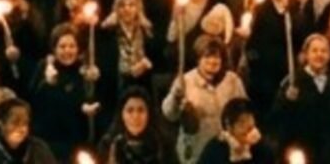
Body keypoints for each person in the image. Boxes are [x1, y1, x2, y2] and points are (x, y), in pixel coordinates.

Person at [163, 35, 247, 164]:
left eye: (217, 57)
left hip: (226, 151)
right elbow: (169, 114)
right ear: (198, 59)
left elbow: (244, 113)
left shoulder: (233, 81)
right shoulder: (185, 81)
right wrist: (175, 97)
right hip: (196, 153)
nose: (212, 61)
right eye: (207, 56)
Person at [273, 33, 330, 163]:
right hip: (302, 150)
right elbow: (278, 117)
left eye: (323, 51)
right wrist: (286, 100)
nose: (319, 55)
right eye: (314, 51)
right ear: (306, 55)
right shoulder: (293, 82)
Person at [29, 24, 98, 162]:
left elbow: (91, 99)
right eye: (62, 46)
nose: (67, 50)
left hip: (76, 140)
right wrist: (47, 83)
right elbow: (32, 97)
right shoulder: (44, 67)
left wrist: (90, 105)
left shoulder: (84, 70)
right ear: (54, 49)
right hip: (48, 139)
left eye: (72, 46)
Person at [98, 86, 177, 164]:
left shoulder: (164, 144)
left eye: (141, 110)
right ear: (121, 115)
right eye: (130, 110)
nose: (136, 116)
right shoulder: (108, 145)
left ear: (149, 114)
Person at [0, 98, 57, 164]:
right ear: (1, 124)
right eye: (15, 123)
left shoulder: (39, 148)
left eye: (25, 123)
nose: (21, 129)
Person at [197, 97, 273, 164]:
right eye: (242, 122)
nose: (248, 126)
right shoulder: (215, 148)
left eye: (250, 118)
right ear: (229, 126)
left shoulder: (260, 147)